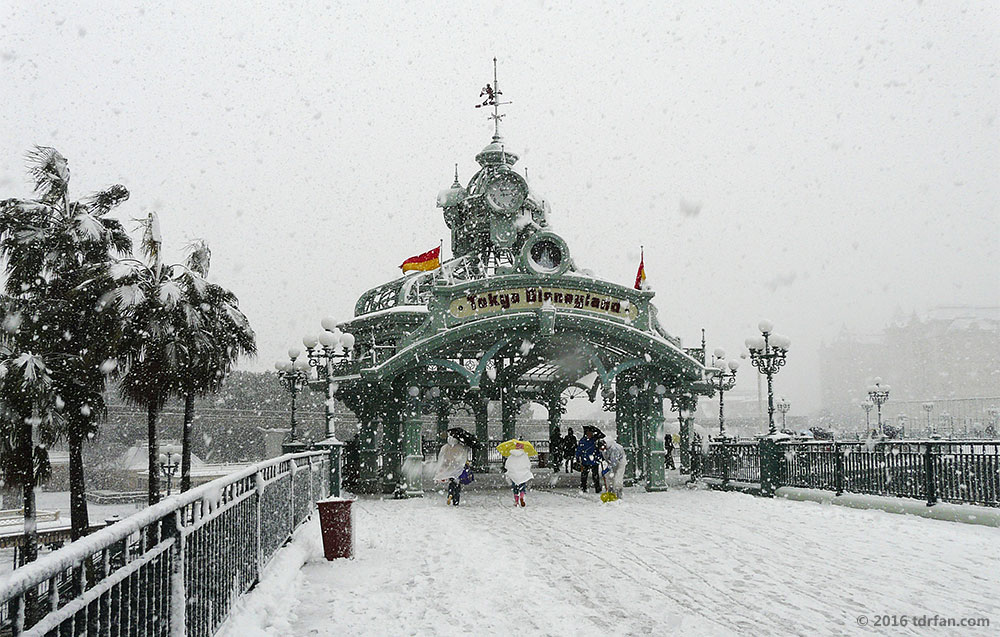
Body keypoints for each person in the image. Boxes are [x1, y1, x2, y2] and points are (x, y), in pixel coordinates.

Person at [434, 434, 470, 506]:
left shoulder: (445, 447)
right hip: (457, 468)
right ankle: (456, 500)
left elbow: (441, 457)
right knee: (457, 483)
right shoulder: (460, 447)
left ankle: (450, 494)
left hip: (448, 468)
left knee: (451, 482)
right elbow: (463, 457)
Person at [504, 442, 534, 507]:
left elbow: (507, 465)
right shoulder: (524, 455)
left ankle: (516, 501)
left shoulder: (511, 456)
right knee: (522, 487)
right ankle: (522, 496)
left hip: (514, 475)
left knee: (515, 488)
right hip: (522, 474)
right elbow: (528, 465)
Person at [576, 428, 602, 493]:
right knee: (584, 476)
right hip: (587, 461)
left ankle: (597, 487)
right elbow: (579, 450)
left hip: (593, 460)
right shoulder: (585, 441)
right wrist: (577, 458)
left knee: (595, 475)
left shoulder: (595, 440)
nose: (590, 434)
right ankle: (584, 487)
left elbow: (598, 450)